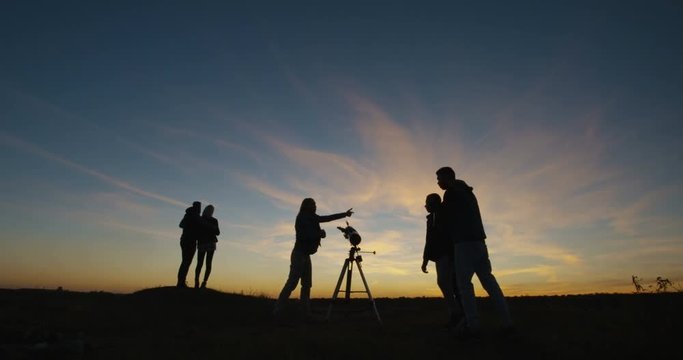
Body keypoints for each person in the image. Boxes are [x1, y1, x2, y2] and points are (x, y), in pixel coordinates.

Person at [436, 166, 514, 336]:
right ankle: (507, 322)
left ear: (448, 178)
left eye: (439, 179)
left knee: (464, 286)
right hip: (479, 242)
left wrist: (438, 210)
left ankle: (473, 325)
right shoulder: (468, 193)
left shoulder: (451, 193)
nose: (438, 183)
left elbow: (447, 217)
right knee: (489, 282)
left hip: (463, 244)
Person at [273, 198, 353, 319]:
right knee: (292, 283)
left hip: (305, 255)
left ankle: (304, 312)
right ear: (306, 206)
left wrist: (344, 214)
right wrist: (320, 233)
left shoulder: (311, 217)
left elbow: (327, 218)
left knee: (306, 284)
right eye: (313, 204)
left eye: (315, 204)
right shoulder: (303, 218)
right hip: (299, 254)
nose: (315, 206)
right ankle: (278, 311)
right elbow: (305, 236)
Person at [420, 193, 462, 327]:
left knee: (452, 284)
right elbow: (429, 240)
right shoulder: (431, 218)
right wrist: (425, 259)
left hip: (449, 254)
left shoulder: (445, 214)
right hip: (439, 255)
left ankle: (460, 315)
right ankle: (455, 314)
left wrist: (453, 255)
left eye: (427, 203)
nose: (425, 206)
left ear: (434, 203)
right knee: (444, 283)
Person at [195, 204, 220, 289]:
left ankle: (197, 282)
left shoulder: (201, 219)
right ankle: (203, 282)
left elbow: (217, 232)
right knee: (207, 263)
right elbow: (217, 232)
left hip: (203, 242)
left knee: (200, 263)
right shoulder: (213, 220)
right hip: (208, 243)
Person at [177, 201, 201, 288]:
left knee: (185, 261)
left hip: (185, 240)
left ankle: (181, 281)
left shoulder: (188, 215)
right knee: (186, 261)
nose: (200, 210)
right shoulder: (194, 216)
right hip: (189, 241)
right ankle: (181, 282)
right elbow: (181, 225)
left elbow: (181, 225)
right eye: (199, 207)